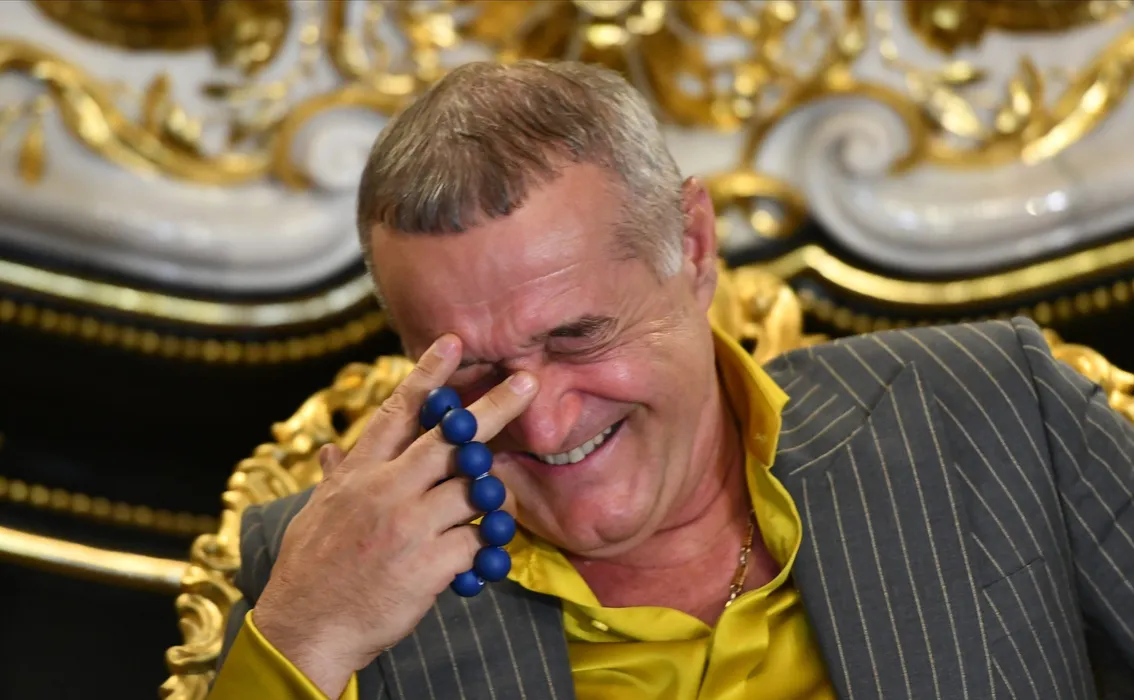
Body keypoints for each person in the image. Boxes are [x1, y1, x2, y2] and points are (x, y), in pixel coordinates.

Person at [208, 60, 1134, 700]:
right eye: (477, 371)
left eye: (577, 336)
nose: (542, 423)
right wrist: (303, 638)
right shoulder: (322, 580)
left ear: (692, 248)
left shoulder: (993, 407)